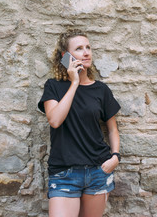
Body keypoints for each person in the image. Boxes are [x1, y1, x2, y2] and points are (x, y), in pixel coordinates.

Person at [38, 29, 121, 217]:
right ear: (65, 56)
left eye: (88, 47)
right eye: (79, 48)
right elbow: (55, 120)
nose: (86, 53)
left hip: (98, 171)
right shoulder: (54, 86)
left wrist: (115, 157)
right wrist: (74, 83)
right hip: (64, 174)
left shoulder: (101, 90)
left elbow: (112, 129)